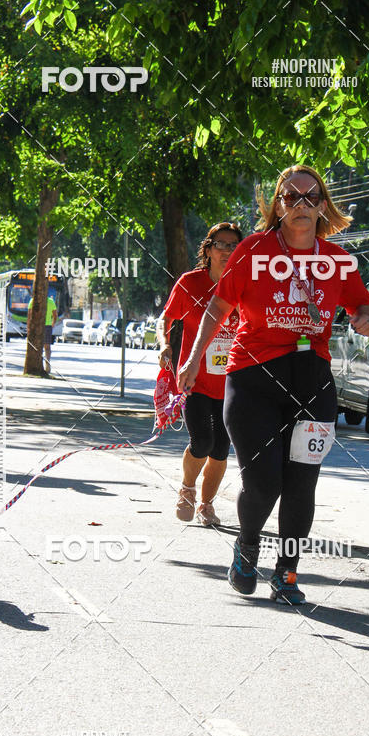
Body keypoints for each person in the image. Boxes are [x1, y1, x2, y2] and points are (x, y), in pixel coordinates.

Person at [178, 165, 369, 604]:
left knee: (303, 482)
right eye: (291, 197)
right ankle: (247, 547)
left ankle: (286, 574)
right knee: (264, 482)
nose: (301, 205)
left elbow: (362, 303)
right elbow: (218, 306)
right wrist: (192, 359)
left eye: (310, 197)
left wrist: (364, 319)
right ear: (278, 206)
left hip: (313, 384)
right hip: (253, 380)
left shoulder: (337, 260)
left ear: (322, 205)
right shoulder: (253, 250)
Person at [157, 222, 242, 525]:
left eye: (234, 246)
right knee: (202, 442)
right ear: (208, 249)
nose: (228, 251)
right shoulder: (190, 283)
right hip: (195, 380)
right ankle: (187, 489)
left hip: (233, 383)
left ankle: (206, 505)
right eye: (222, 245)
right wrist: (166, 345)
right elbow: (165, 319)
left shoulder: (245, 285)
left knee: (221, 448)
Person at [28, 292, 57, 374]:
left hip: (36, 326)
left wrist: (29, 326)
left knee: (36, 346)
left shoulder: (33, 301)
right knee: (47, 347)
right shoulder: (51, 301)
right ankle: (47, 363)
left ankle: (37, 363)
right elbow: (55, 315)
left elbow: (29, 315)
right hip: (47, 326)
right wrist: (52, 324)